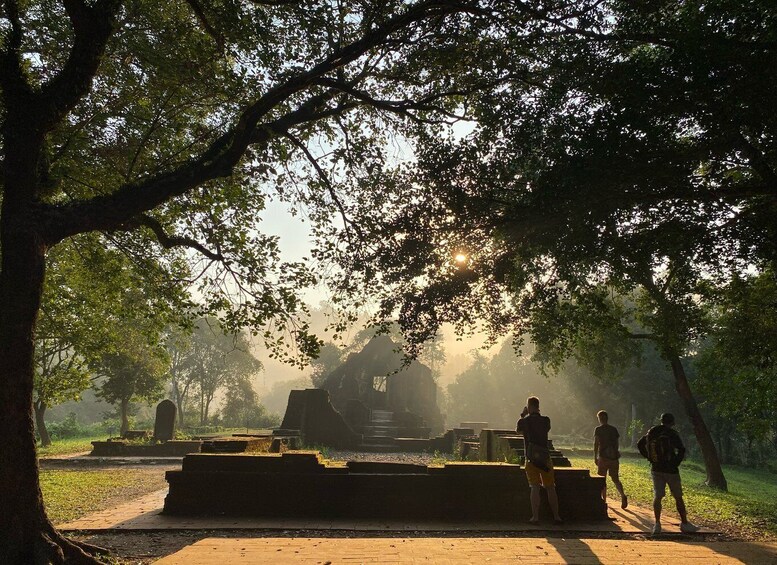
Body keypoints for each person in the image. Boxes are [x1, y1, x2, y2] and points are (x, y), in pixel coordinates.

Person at [637, 413, 699, 535]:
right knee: (678, 496)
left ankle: (657, 524)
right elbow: (681, 449)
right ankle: (685, 523)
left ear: (661, 421)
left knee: (658, 496)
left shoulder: (653, 431)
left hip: (656, 468)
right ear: (672, 422)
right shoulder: (672, 434)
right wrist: (675, 463)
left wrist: (649, 457)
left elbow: (640, 444)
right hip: (671, 470)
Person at [517, 396, 563, 524]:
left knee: (535, 487)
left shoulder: (525, 421)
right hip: (545, 458)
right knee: (550, 487)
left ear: (529, 406)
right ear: (538, 406)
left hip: (531, 459)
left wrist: (523, 415)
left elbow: (518, 431)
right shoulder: (545, 420)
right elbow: (545, 429)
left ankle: (535, 517)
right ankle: (556, 516)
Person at [593, 410, 628, 509]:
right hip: (613, 458)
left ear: (599, 419)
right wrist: (615, 453)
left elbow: (596, 443)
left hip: (603, 457)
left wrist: (595, 456)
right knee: (615, 479)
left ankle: (603, 500)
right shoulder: (613, 429)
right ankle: (622, 495)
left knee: (601, 479)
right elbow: (617, 443)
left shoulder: (598, 429)